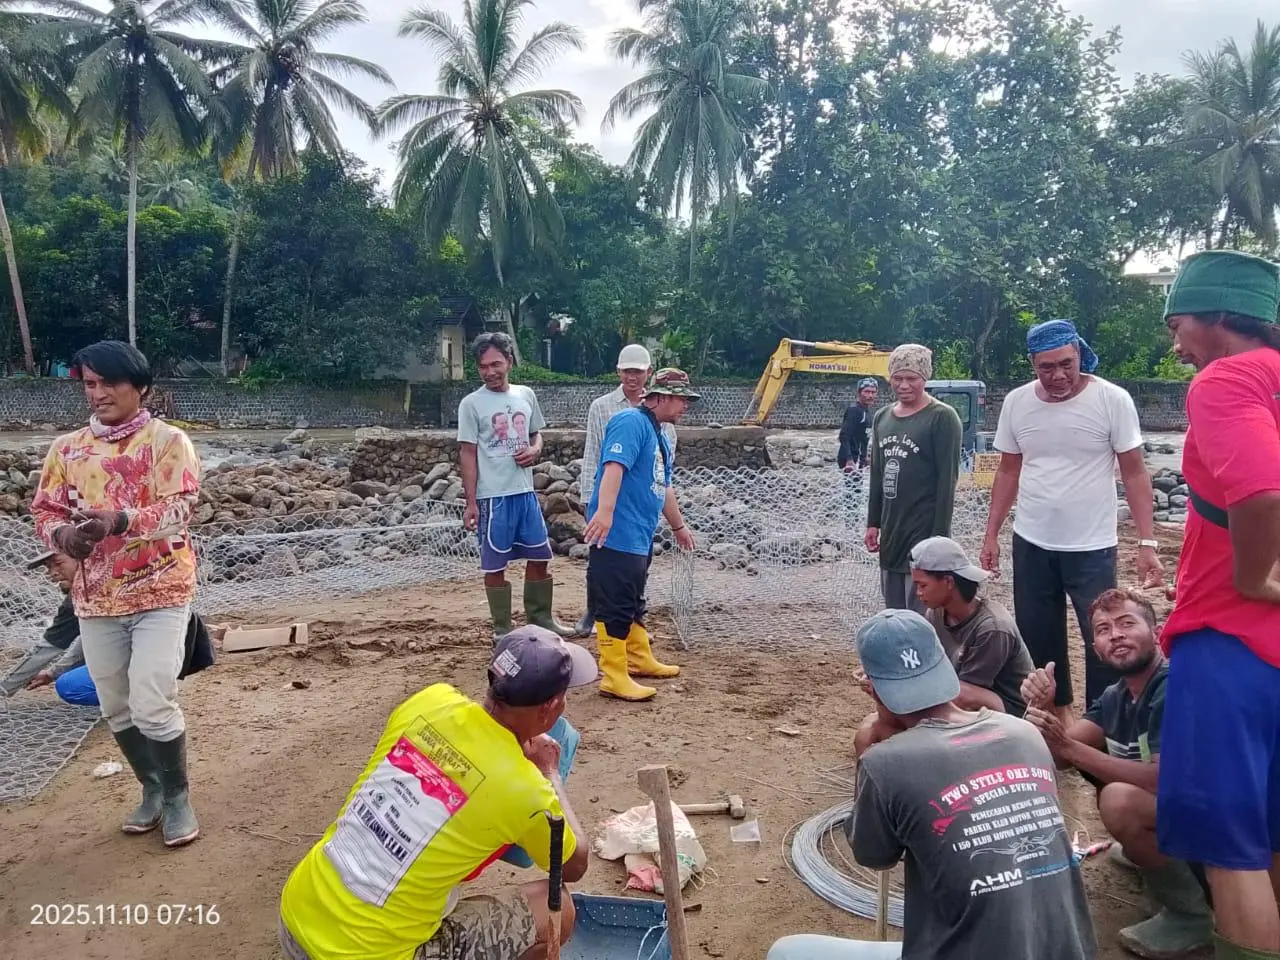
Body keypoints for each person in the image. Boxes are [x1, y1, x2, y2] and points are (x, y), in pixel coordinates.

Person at [768, 609, 1097, 960]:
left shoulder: (885, 762)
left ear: (875, 689)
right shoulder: (1024, 734)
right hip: (1068, 951)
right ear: (942, 667)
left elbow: (872, 855)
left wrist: (870, 753)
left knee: (786, 952)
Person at [278, 626, 597, 960]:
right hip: (366, 954)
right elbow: (573, 866)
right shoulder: (525, 788)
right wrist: (549, 774)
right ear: (550, 707)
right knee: (554, 910)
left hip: (297, 917)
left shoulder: (430, 701)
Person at [30, 340, 203, 847]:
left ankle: (177, 798)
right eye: (89, 384)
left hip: (160, 588)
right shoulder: (67, 448)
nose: (98, 393)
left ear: (140, 387)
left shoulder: (168, 441)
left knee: (152, 697)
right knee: (116, 704)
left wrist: (120, 520)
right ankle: (151, 790)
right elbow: (45, 510)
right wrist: (63, 538)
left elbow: (182, 508)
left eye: (110, 383)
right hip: (95, 596)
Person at [1158, 250, 1280, 960]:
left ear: (1218, 319)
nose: (1176, 344)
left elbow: (1263, 491)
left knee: (1233, 848)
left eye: (1179, 324)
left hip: (1230, 640)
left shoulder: (1226, 379)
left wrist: (1255, 575)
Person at [979, 318, 1161, 715]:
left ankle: (1104, 725)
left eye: (1066, 363)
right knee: (1038, 638)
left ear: (1078, 353)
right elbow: (1008, 470)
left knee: (1102, 638)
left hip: (1091, 545)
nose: (1058, 375)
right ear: (1032, 364)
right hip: (1031, 540)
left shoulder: (1111, 400)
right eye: (1047, 367)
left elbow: (1134, 472)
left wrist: (1147, 542)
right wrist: (991, 533)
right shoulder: (1017, 403)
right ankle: (1053, 721)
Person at [1021, 588, 1210, 959]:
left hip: (1221, 824)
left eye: (1126, 623)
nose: (1116, 634)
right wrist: (1045, 710)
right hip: (1186, 818)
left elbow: (1162, 780)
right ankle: (1158, 857)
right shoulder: (1116, 696)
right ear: (1096, 649)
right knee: (1111, 786)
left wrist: (1069, 748)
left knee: (1118, 801)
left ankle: (1192, 915)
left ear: (1156, 633)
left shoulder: (1174, 686)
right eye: (1104, 630)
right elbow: (1060, 755)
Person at [854, 535, 1034, 756]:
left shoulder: (992, 628)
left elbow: (961, 696)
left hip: (1006, 713)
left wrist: (892, 689)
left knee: (894, 730)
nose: (917, 592)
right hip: (957, 697)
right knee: (872, 731)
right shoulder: (937, 612)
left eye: (922, 585)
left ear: (949, 582)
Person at [582, 368, 698, 701]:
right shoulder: (630, 422)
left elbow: (664, 486)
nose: (685, 407)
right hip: (617, 531)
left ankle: (637, 658)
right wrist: (604, 512)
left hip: (639, 532)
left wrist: (678, 526)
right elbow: (613, 466)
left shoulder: (658, 432)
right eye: (680, 399)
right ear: (659, 397)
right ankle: (613, 675)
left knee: (634, 599)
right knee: (614, 602)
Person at [459, 332, 575, 640]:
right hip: (493, 498)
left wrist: (535, 450)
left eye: (496, 364)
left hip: (525, 494)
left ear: (509, 361)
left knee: (540, 557)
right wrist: (471, 503)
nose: (490, 372)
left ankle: (541, 620)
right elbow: (468, 454)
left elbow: (537, 434)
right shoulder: (471, 404)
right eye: (483, 366)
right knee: (495, 565)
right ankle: (503, 629)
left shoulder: (526, 395)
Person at [3, 549, 216, 708]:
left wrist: (4, 689)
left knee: (71, 687)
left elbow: (47, 649)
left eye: (58, 563)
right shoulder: (111, 576)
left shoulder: (90, 593)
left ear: (84, 558)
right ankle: (148, 689)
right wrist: (53, 672)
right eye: (48, 568)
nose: (52, 573)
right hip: (177, 650)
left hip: (168, 651)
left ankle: (144, 697)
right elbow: (89, 637)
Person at [574, 344, 677, 637]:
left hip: (638, 501)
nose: (632, 377)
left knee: (638, 561)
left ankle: (634, 620)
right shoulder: (602, 407)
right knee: (601, 560)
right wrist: (590, 501)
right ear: (618, 372)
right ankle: (595, 612)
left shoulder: (664, 419)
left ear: (649, 373)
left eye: (638, 372)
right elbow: (594, 454)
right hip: (605, 496)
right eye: (627, 371)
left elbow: (664, 470)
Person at [866, 345, 962, 614]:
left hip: (923, 534)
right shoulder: (882, 418)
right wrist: (873, 522)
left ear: (925, 378)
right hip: (891, 535)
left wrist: (939, 542)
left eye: (912, 378)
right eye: (898, 378)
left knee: (922, 617)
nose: (904, 385)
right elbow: (877, 473)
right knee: (894, 615)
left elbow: (947, 482)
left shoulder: (942, 418)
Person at [838, 377, 879, 476]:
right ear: (859, 392)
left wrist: (866, 457)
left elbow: (864, 437)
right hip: (851, 460)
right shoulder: (854, 411)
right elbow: (844, 436)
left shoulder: (868, 412)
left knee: (857, 488)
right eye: (867, 392)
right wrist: (849, 459)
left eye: (873, 392)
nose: (870, 395)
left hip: (860, 459)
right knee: (851, 489)